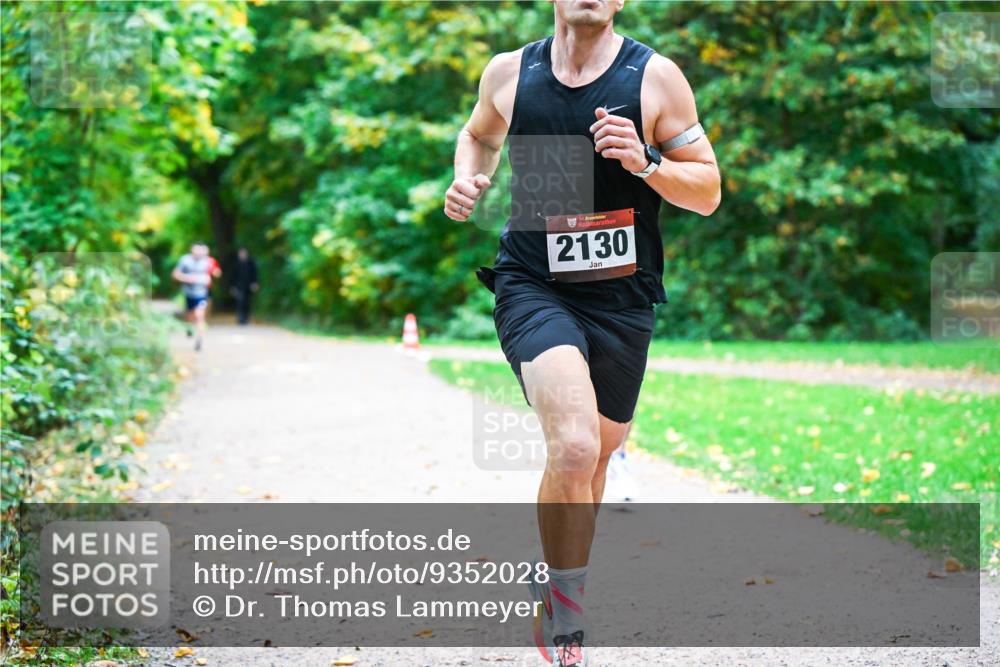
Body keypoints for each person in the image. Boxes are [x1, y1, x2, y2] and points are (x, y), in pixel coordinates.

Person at [444, 1, 720, 664]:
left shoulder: (654, 78)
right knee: (573, 444)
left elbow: (708, 189)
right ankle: (566, 617)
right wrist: (465, 177)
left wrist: (647, 163)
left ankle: (563, 581)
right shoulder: (512, 73)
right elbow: (478, 134)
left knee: (596, 456)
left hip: (623, 297)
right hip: (533, 282)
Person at [172, 242, 222, 351]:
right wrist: (188, 278)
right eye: (196, 250)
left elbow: (216, 272)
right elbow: (175, 275)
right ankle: (189, 329)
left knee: (200, 315)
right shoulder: (185, 260)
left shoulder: (208, 261)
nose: (198, 253)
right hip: (188, 293)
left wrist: (212, 275)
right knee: (190, 316)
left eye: (200, 251)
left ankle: (199, 339)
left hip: (201, 293)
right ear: (192, 250)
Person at [231, 247, 259, 325]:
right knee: (240, 302)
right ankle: (240, 318)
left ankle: (246, 318)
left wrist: (255, 283)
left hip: (248, 287)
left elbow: (254, 274)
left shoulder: (251, 263)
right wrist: (233, 286)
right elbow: (233, 276)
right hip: (239, 286)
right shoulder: (236, 264)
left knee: (247, 302)